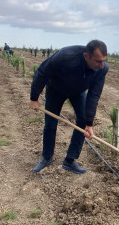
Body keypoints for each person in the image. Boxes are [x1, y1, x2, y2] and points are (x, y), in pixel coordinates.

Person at [29, 40, 109, 175]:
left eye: (103, 61)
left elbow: (94, 96)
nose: (101, 65)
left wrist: (89, 123)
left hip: (78, 92)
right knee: (50, 123)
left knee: (83, 122)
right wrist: (34, 98)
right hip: (55, 89)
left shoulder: (102, 70)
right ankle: (47, 157)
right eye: (97, 61)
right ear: (86, 56)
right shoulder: (65, 56)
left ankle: (70, 161)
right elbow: (43, 71)